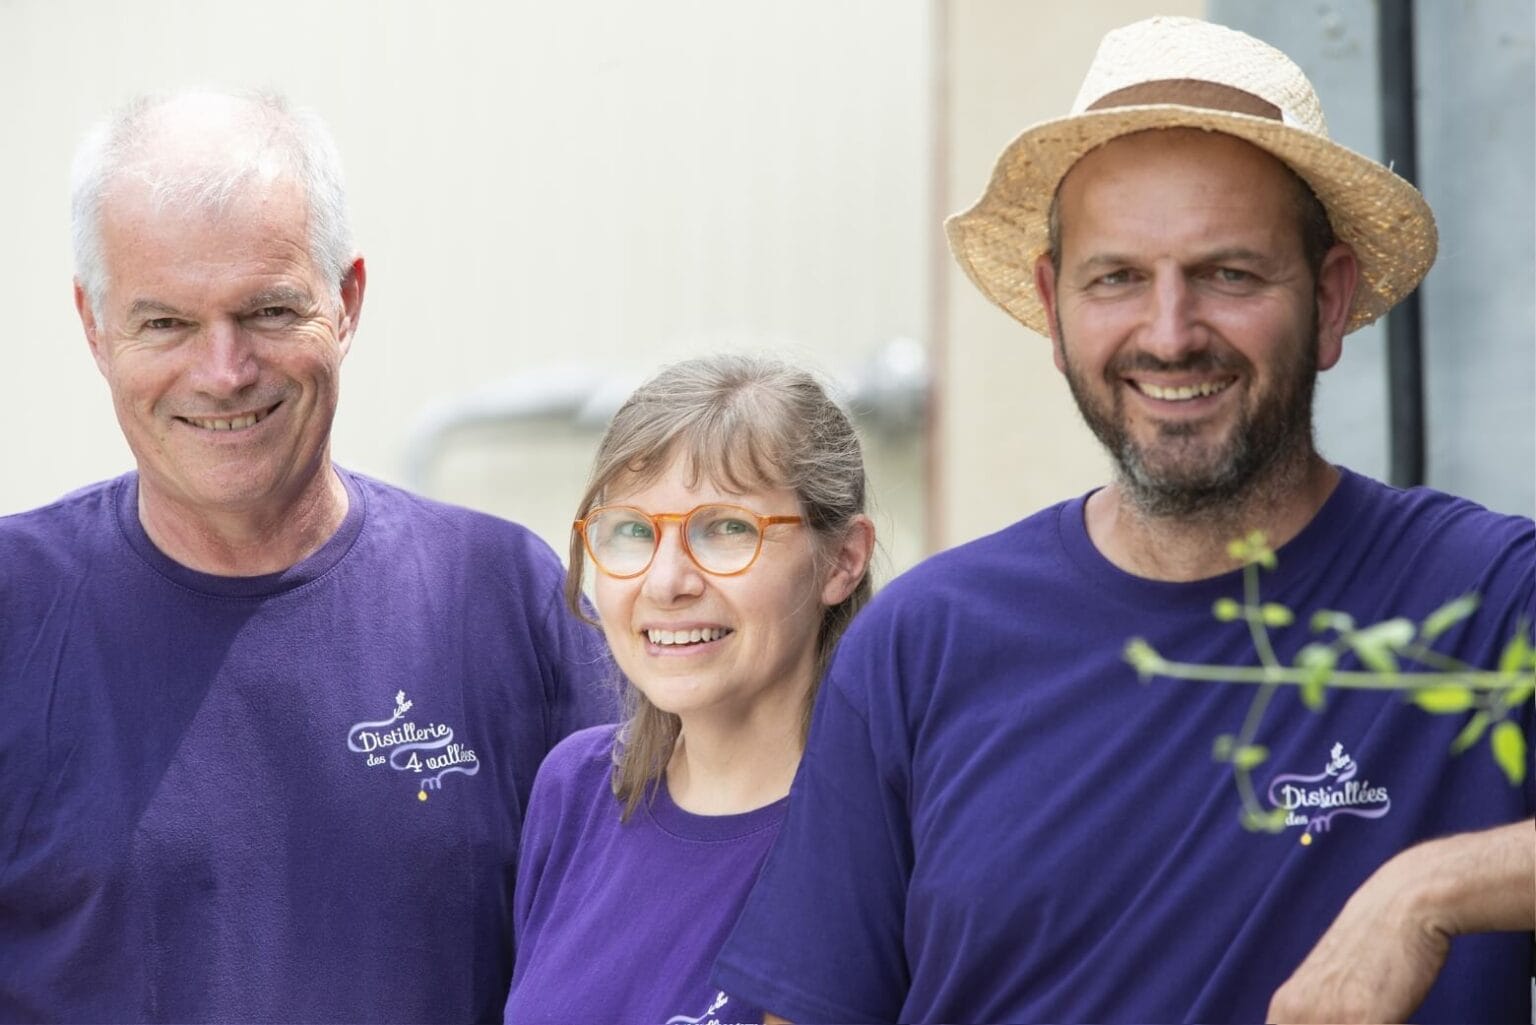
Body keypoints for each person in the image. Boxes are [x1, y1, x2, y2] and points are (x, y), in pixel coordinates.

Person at [712, 16, 1534, 1025]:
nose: (1171, 331)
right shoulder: (922, 644)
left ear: (1327, 301)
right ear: (1056, 307)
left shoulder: (1488, 599)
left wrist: (1427, 892)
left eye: (1229, 273)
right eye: (1119, 278)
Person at [0, 89, 611, 1023]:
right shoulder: (15, 611)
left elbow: (644, 940)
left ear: (348, 299)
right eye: (165, 323)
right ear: (93, 325)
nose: (224, 371)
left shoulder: (506, 600)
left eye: (269, 311)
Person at [503, 354, 876, 1025]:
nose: (666, 580)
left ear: (842, 560)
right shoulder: (576, 790)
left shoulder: (880, 837)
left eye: (727, 527)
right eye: (633, 532)